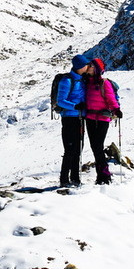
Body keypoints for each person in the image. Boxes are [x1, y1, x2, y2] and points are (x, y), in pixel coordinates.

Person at [51, 54, 92, 187]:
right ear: (80, 66)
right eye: (86, 64)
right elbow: (60, 101)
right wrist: (75, 106)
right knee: (70, 149)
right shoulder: (67, 81)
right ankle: (64, 180)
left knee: (78, 149)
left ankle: (75, 178)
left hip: (80, 118)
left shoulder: (82, 80)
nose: (88, 66)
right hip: (69, 119)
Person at [81, 57, 122, 184]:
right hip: (90, 118)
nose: (89, 68)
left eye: (91, 66)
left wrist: (116, 110)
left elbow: (110, 98)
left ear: (97, 69)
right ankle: (102, 175)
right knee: (95, 147)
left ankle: (104, 175)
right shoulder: (87, 82)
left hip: (103, 118)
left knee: (97, 146)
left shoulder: (104, 83)